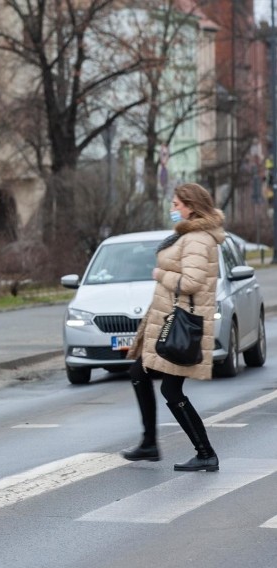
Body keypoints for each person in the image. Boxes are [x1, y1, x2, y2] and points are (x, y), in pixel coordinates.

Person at [122, 183, 224, 472]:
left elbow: (191, 282)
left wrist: (160, 273)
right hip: (171, 322)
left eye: (176, 204)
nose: (172, 208)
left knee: (170, 388)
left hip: (180, 326)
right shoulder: (191, 235)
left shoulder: (196, 239)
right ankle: (150, 443)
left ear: (190, 207)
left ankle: (204, 453)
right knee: (139, 372)